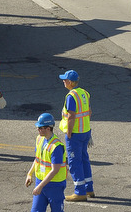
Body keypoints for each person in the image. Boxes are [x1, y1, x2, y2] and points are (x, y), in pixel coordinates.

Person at [58, 70, 93, 201]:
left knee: (74, 162)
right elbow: (89, 112)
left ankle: (80, 191)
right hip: (85, 131)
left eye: (65, 80)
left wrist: (69, 132)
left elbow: (71, 116)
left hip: (75, 133)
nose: (63, 81)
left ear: (71, 82)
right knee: (84, 159)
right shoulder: (84, 93)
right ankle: (89, 188)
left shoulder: (71, 96)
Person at [25, 113, 67, 212]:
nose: (38, 129)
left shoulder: (56, 147)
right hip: (41, 181)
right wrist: (30, 174)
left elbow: (55, 170)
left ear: (48, 128)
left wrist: (40, 186)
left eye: (40, 128)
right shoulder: (39, 139)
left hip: (55, 185)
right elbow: (37, 159)